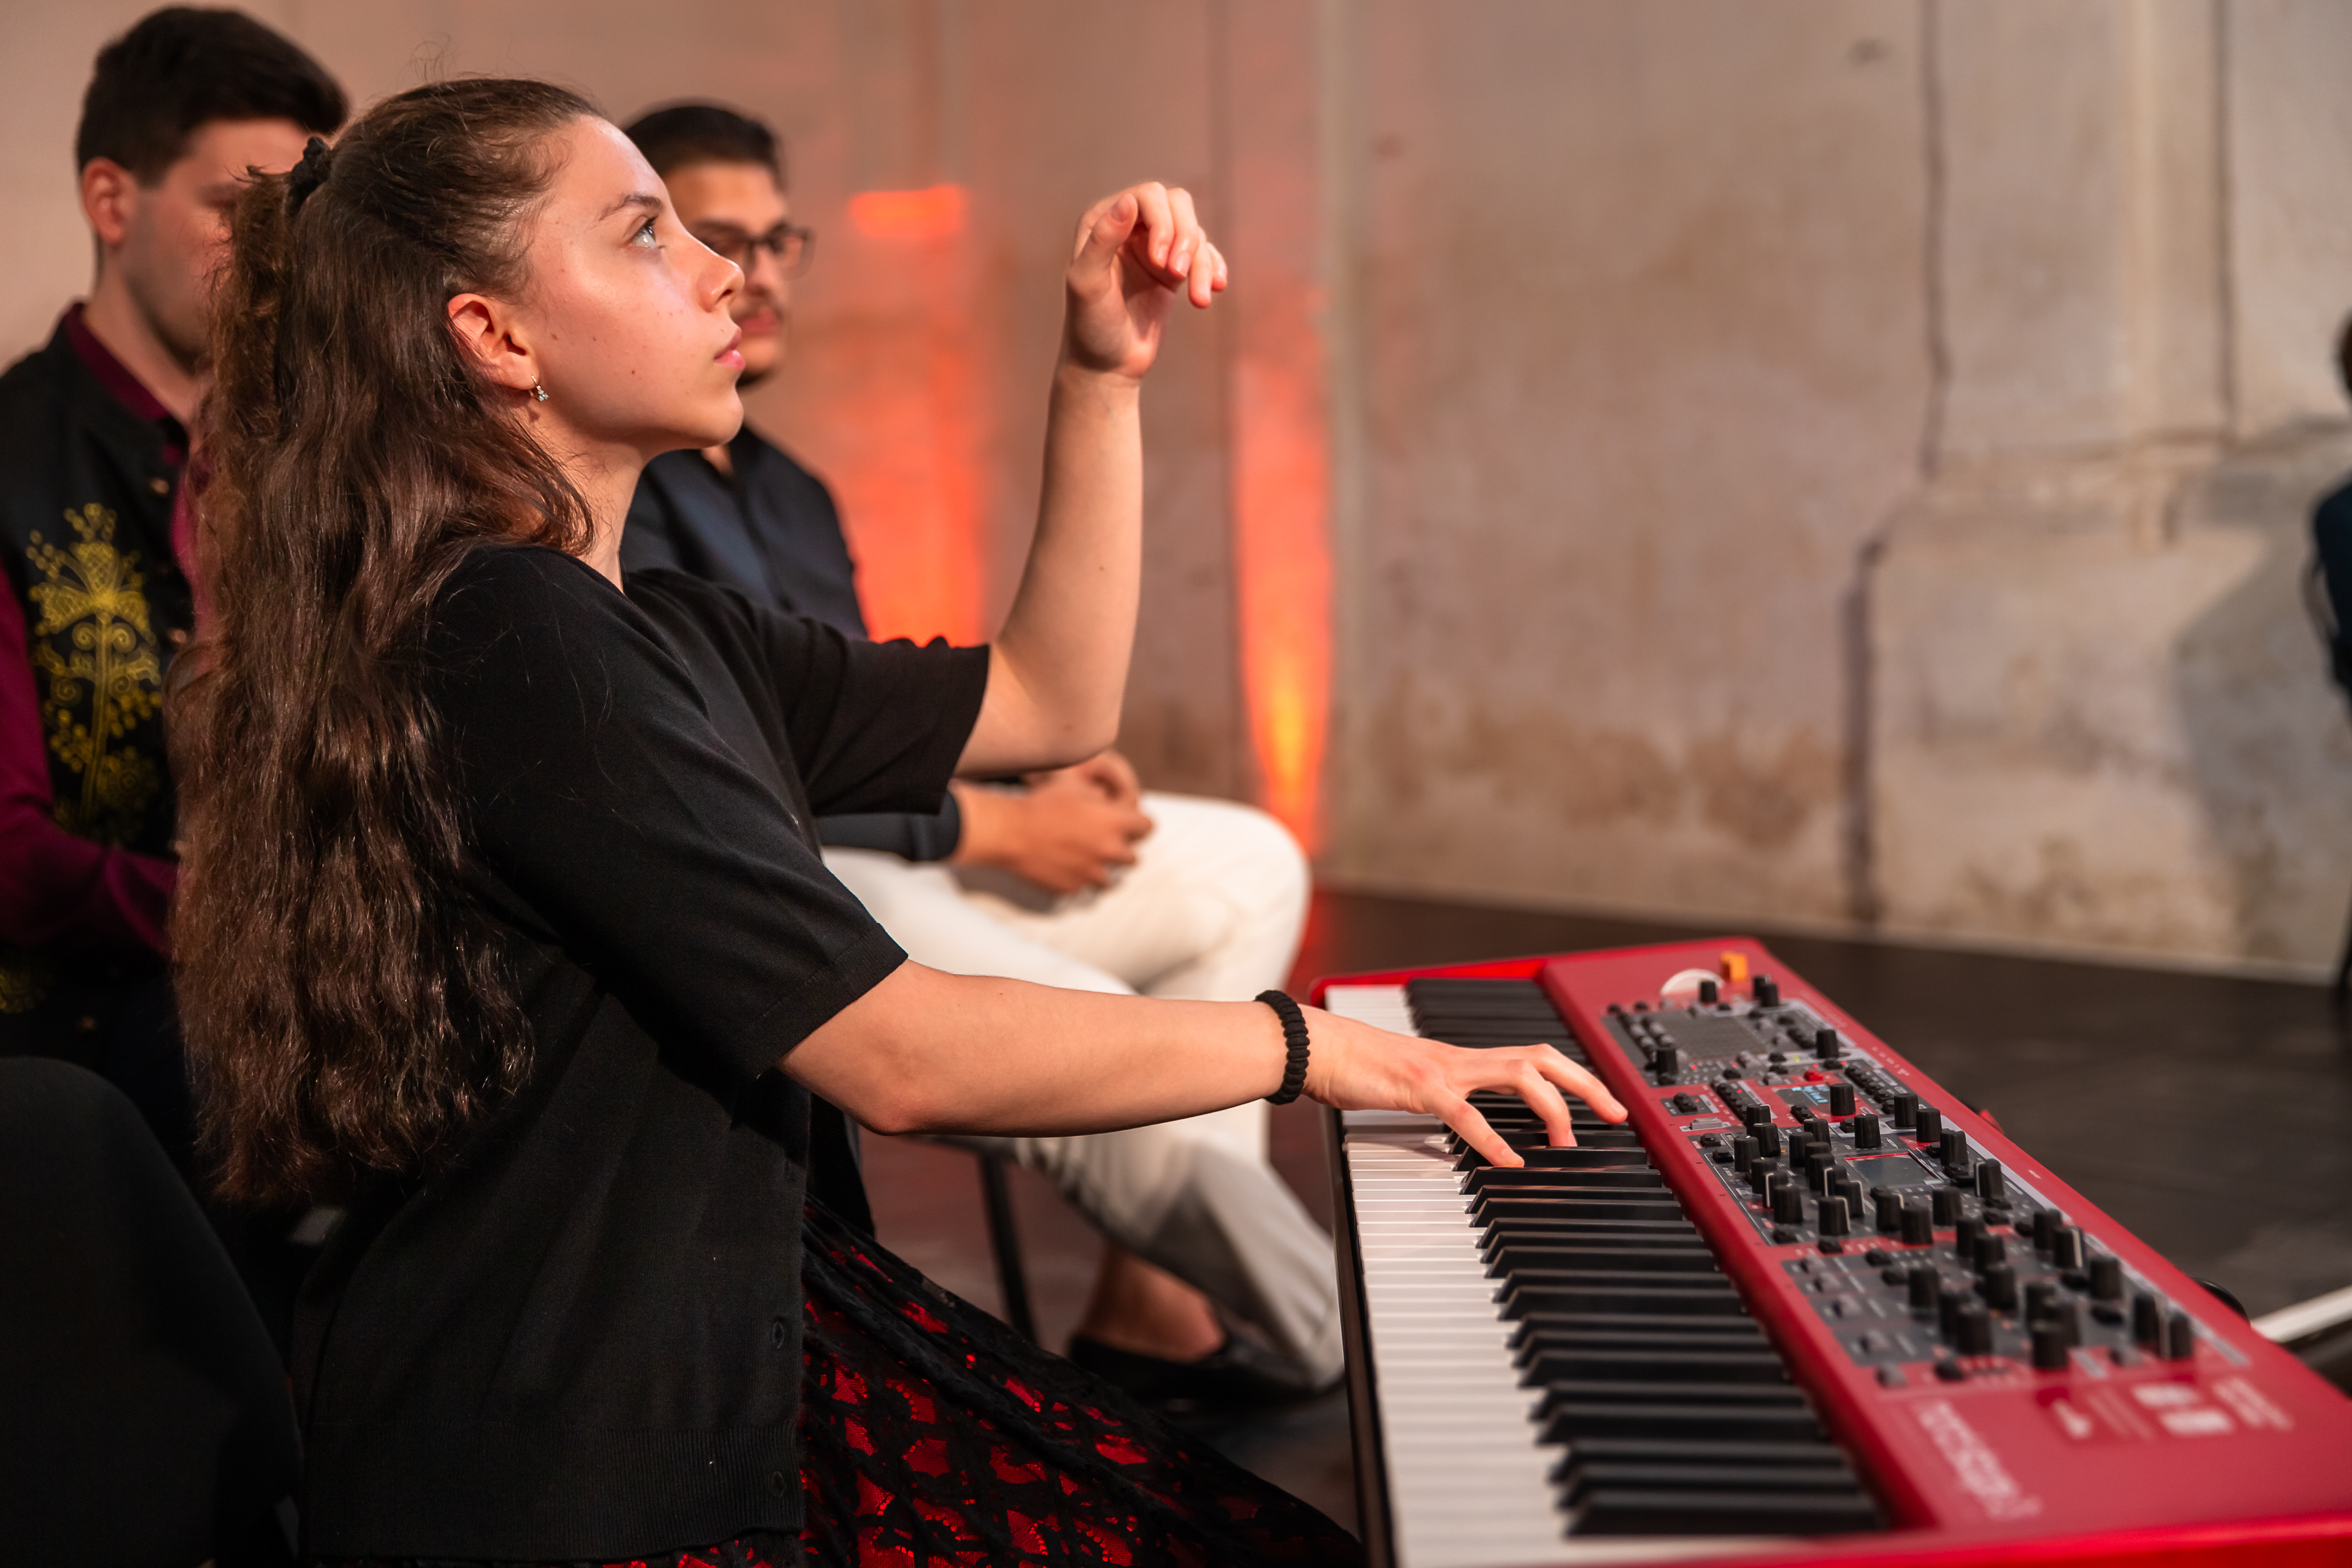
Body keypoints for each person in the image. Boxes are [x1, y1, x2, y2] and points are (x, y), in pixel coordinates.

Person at [173, 78, 1624, 1565]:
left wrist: (1100, 374)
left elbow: (1052, 699)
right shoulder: (508, 638)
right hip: (577, 1452)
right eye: (647, 234)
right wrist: (1322, 1049)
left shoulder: (664, 629)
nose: (724, 274)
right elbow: (902, 1056)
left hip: (715, 1359)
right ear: (496, 336)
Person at [618, 103, 1338, 1406]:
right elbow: (733, 786)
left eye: (780, 241)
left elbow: (849, 716)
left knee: (1247, 864)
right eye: (718, 237)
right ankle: (1349, 1327)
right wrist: (984, 825)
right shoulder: (617, 499)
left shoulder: (788, 491)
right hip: (795, 888)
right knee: (1104, 1030)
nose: (756, 275)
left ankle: (1150, 1296)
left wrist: (1019, 777)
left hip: (894, 842)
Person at [0, 4, 346, 1344]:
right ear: (112, 199)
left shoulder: (323, 463)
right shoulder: (15, 462)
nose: (275, 257)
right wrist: (264, 923)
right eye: (233, 209)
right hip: (86, 1066)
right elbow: (12, 854)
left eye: (298, 215)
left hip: (308, 1037)